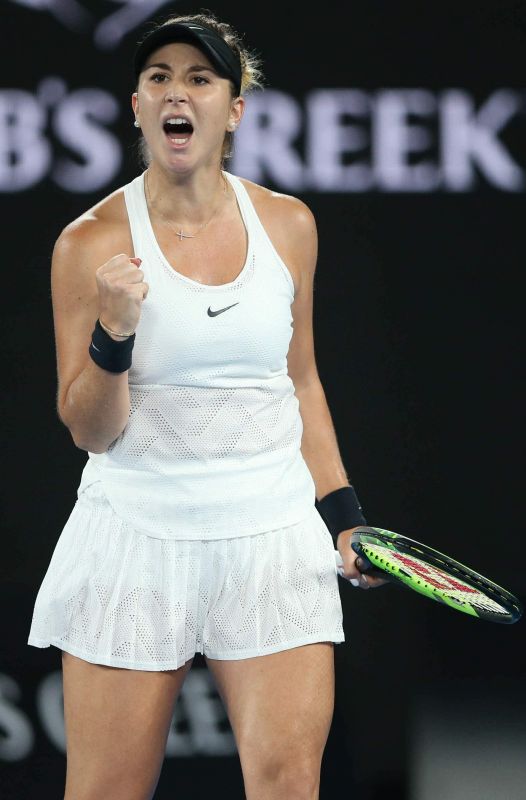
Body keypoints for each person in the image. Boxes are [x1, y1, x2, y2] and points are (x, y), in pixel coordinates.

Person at [27, 11, 386, 800]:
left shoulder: (290, 226)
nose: (175, 93)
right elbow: (90, 429)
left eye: (199, 78)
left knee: (290, 785)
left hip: (270, 535)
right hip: (135, 538)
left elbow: (300, 383)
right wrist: (113, 334)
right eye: (158, 78)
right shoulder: (87, 244)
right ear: (136, 105)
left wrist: (345, 514)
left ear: (233, 108)